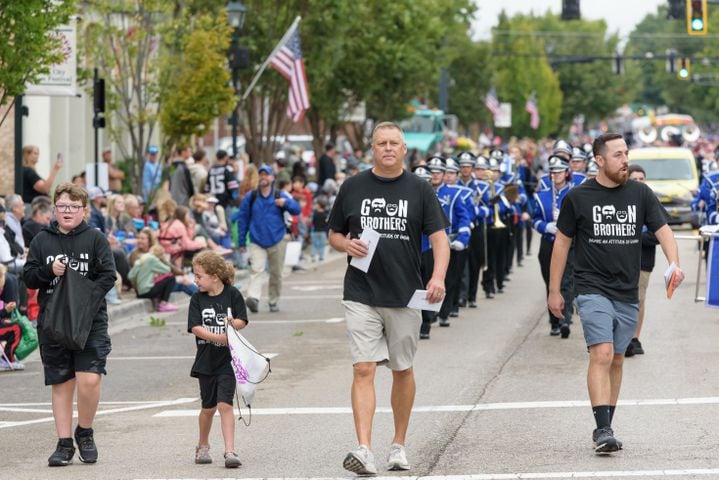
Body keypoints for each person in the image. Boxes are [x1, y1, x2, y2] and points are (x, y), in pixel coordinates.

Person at [548, 133, 685, 454]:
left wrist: (674, 264)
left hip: (626, 291)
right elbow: (562, 244)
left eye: (626, 154)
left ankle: (607, 422)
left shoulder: (640, 193)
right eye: (618, 155)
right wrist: (555, 291)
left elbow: (664, 231)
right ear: (599, 160)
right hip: (591, 287)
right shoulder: (578, 198)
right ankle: (603, 429)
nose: (625, 160)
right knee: (603, 353)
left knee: (619, 358)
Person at [327, 122, 449, 475]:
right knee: (364, 367)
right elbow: (333, 233)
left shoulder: (420, 189)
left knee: (402, 369)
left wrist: (437, 276)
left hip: (406, 294)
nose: (388, 148)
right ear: (372, 149)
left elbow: (439, 239)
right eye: (382, 143)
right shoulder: (353, 186)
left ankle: (398, 444)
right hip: (361, 291)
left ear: (404, 148)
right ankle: (364, 448)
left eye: (394, 142)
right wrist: (344, 244)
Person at [23, 182, 116, 466]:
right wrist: (48, 270)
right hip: (54, 321)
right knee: (62, 382)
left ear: (83, 210)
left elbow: (108, 275)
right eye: (62, 206)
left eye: (73, 207)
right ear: (54, 209)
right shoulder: (42, 240)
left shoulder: (95, 239)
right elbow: (29, 277)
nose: (67, 211)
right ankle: (64, 444)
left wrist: (86, 299)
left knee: (89, 379)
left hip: (90, 322)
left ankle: (84, 431)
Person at [188, 250, 247, 469]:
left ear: (214, 276)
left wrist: (233, 325)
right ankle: (203, 444)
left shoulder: (233, 294)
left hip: (228, 360)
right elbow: (195, 327)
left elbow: (243, 320)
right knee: (208, 408)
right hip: (205, 360)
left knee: (225, 404)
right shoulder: (197, 299)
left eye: (199, 275)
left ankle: (229, 450)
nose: (195, 280)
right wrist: (218, 337)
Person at [233, 165, 300, 314]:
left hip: (277, 240)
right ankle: (253, 298)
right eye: (261, 174)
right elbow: (242, 219)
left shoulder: (280, 195)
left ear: (272, 178)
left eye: (266, 174)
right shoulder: (251, 197)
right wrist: (242, 242)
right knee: (256, 270)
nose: (263, 177)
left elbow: (297, 210)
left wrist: (286, 203)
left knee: (276, 273)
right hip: (257, 240)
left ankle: (273, 301)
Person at [532, 155, 574, 337]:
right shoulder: (542, 195)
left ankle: (565, 319)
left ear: (566, 173)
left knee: (566, 281)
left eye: (559, 171)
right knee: (550, 282)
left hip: (569, 244)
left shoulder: (574, 193)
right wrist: (545, 226)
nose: (556, 175)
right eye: (553, 172)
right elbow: (534, 220)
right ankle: (554, 321)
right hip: (549, 242)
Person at [625, 164, 658, 357]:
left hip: (643, 260)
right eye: (634, 179)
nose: (638, 183)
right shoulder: (619, 200)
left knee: (638, 299)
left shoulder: (650, 201)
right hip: (621, 260)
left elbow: (658, 235)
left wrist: (635, 235)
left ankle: (634, 338)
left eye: (641, 179)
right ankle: (622, 337)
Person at [128, 244, 179, 312]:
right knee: (171, 278)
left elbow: (130, 276)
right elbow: (167, 270)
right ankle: (163, 304)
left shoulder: (141, 259)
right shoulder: (152, 259)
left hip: (139, 293)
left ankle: (161, 302)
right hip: (148, 291)